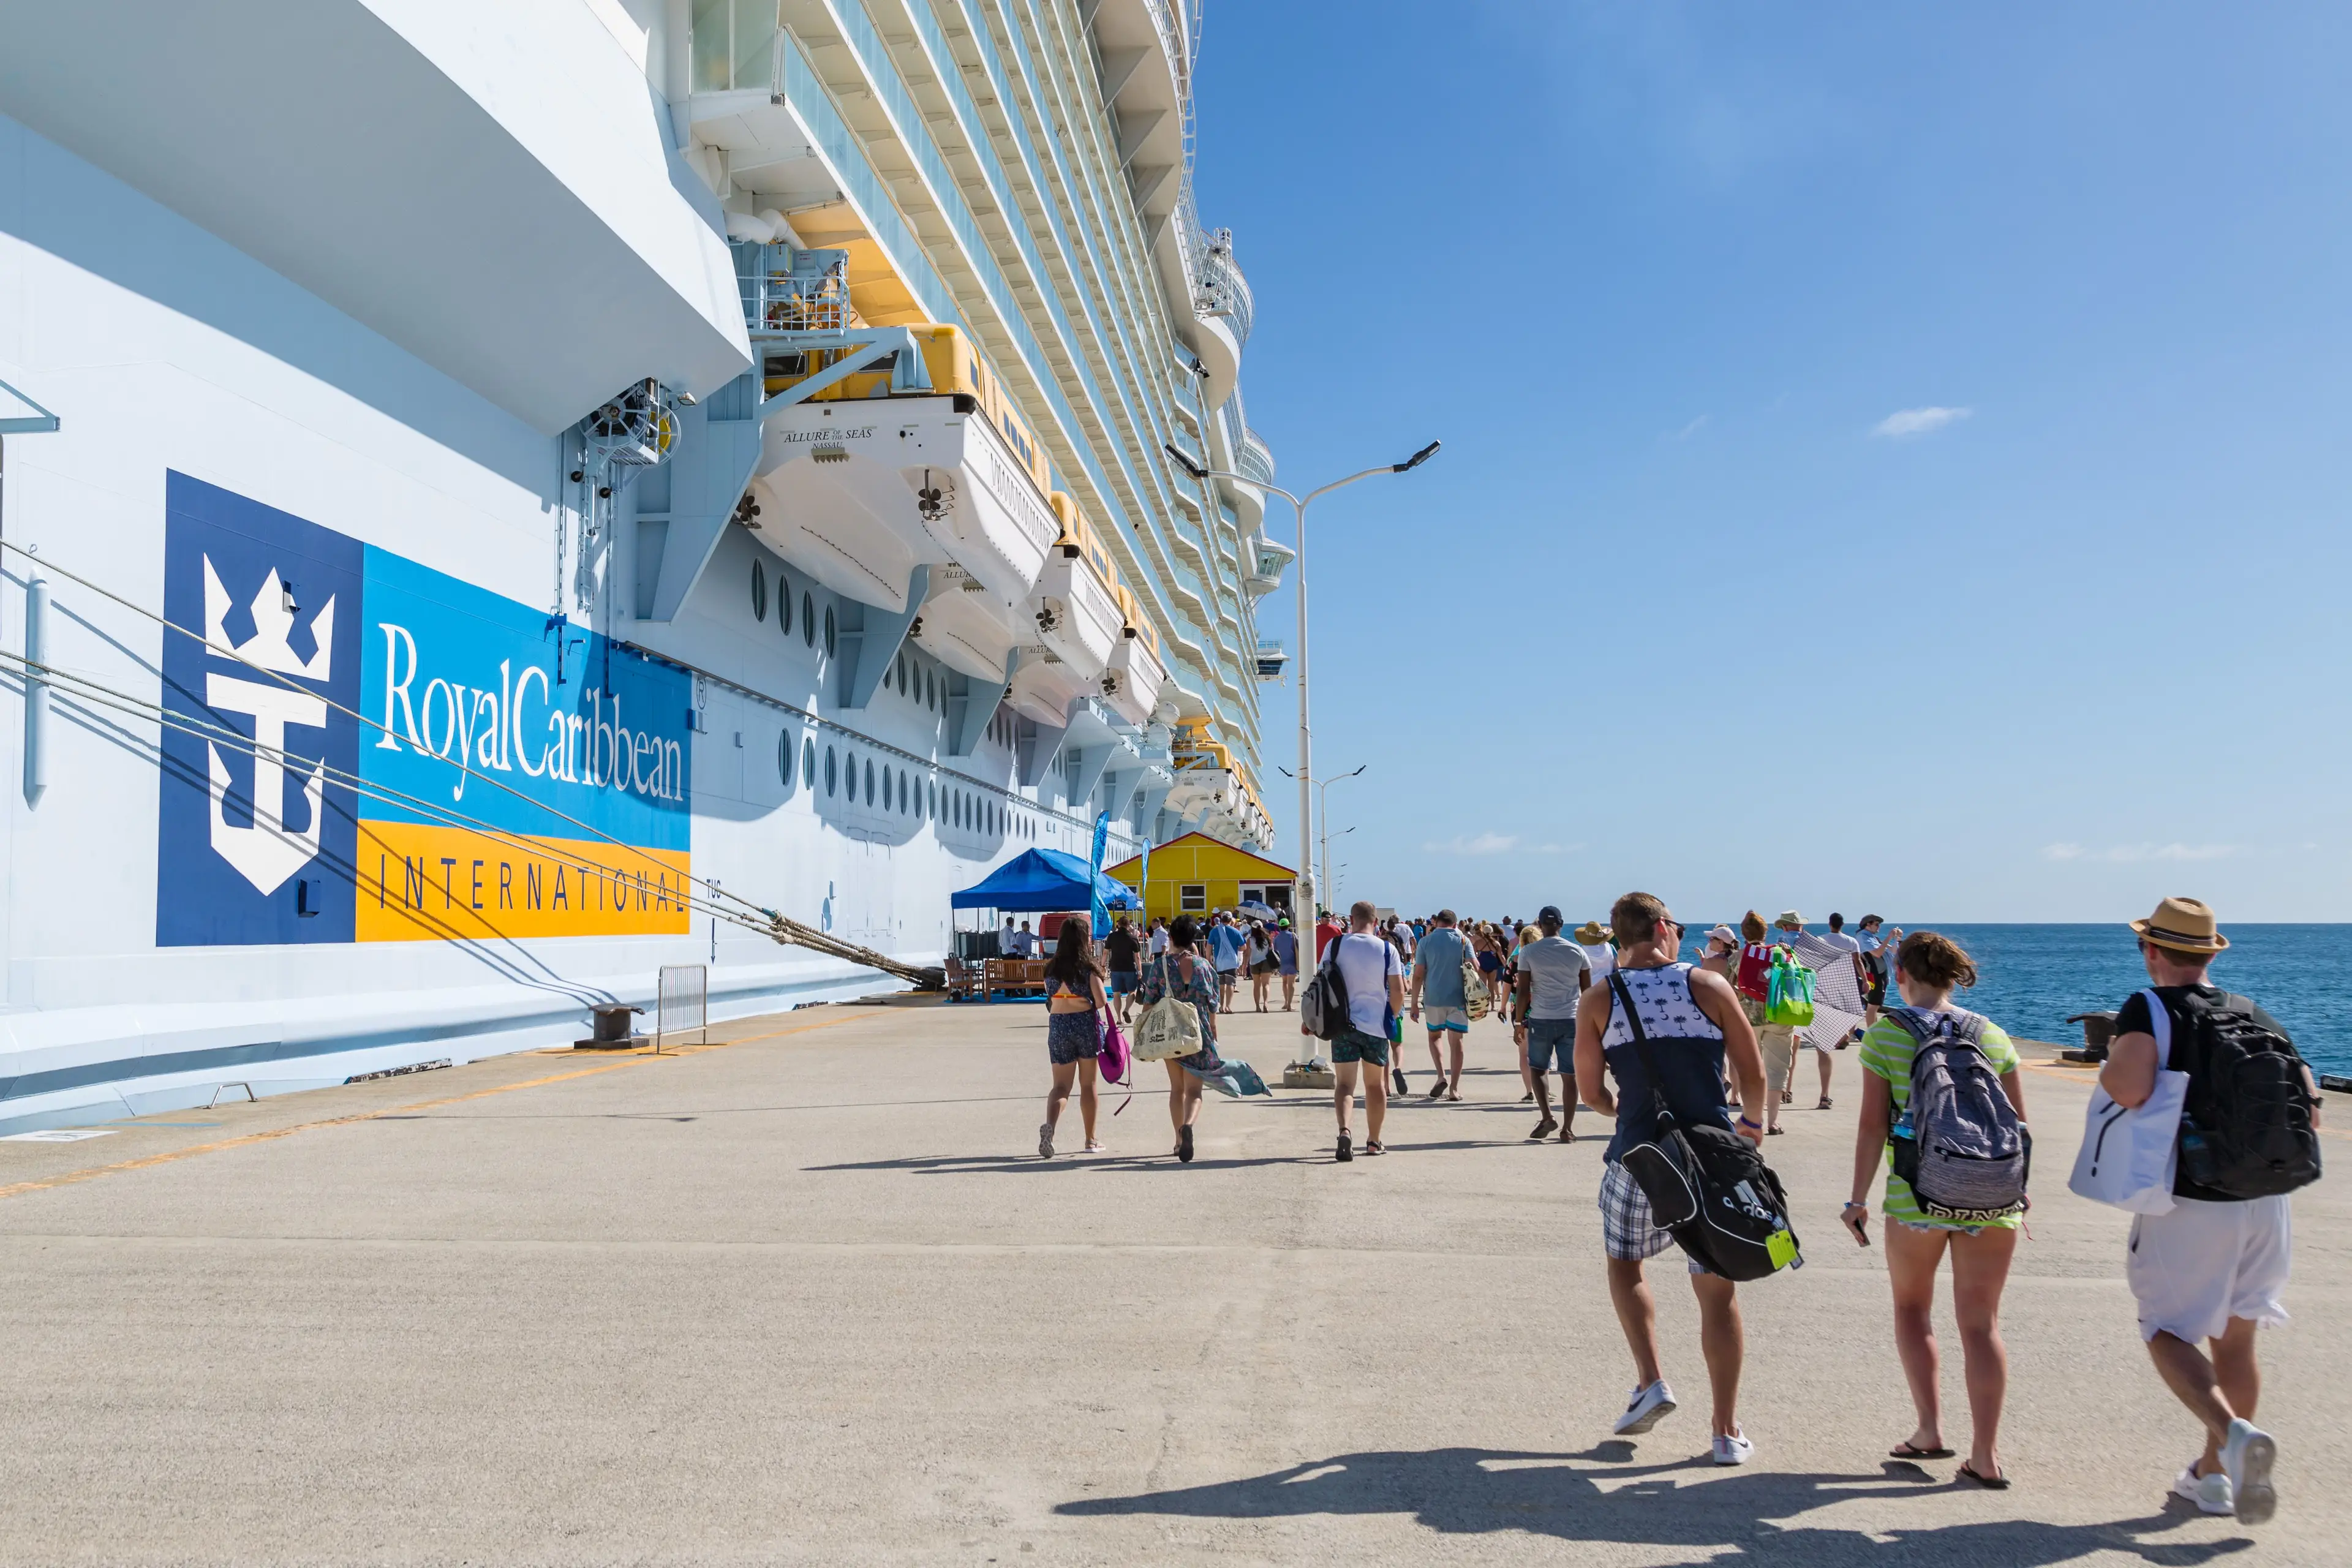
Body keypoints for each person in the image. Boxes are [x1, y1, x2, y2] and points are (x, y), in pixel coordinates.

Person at [2098, 897, 2319, 1524]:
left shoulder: (2150, 1006)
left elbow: (2130, 1087)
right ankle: (2213, 1478)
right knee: (2237, 1338)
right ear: (2212, 952)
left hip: (2192, 1199)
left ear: (2152, 952)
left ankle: (2235, 1437)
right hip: (2268, 1200)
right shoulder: (2257, 1014)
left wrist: (2117, 1070)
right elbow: (2310, 1104)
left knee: (2164, 1328)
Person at [1575, 892, 1768, 1464]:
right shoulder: (1707, 986)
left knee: (1625, 1262)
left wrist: (1625, 1114)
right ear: (1663, 929)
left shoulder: (1600, 998)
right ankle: (1725, 1432)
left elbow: (1591, 1093)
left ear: (1618, 938)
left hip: (1640, 1158)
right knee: (1716, 1291)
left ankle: (1651, 1380)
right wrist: (1751, 1127)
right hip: (1709, 1158)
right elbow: (1752, 1071)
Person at [1844, 931, 2026, 1488]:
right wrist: (2018, 1191)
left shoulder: (1885, 1037)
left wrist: (1857, 1200)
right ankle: (1987, 1456)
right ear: (1953, 977)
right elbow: (2018, 1124)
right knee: (1981, 1325)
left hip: (1917, 1196)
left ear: (1900, 974)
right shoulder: (1992, 1036)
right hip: (1992, 1200)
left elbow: (1874, 1125)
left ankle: (1929, 1431)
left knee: (1913, 1310)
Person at [1319, 899, 1406, 1161]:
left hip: (1342, 1025)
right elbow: (1399, 991)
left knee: (1345, 1084)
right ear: (1376, 922)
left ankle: (1345, 1131)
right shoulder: (1387, 950)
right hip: (1375, 1026)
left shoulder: (1334, 945)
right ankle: (1373, 1141)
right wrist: (1391, 1015)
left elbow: (1321, 983)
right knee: (1375, 1085)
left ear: (1351, 920)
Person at [1134, 915, 1226, 1163]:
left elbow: (1149, 1000)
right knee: (1194, 1091)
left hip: (1171, 1032)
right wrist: (1214, 1025)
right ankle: (1189, 1126)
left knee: (1177, 1088)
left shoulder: (1161, 966)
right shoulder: (1203, 966)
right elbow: (1213, 1001)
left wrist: (1143, 1029)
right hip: (1198, 1031)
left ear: (1171, 938)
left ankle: (1178, 1140)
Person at [1515, 906, 1591, 1141]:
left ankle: (1547, 1116)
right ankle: (1567, 1130)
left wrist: (1519, 1021)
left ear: (1540, 925)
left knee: (1538, 1069)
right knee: (1570, 1075)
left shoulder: (1529, 952)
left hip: (1541, 1018)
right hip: (1571, 1018)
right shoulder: (1577, 951)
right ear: (1561, 924)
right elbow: (1587, 991)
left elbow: (1523, 990)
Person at [1038, 914, 1111, 1159]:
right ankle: (1090, 1140)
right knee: (1088, 1084)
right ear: (1083, 940)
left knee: (1060, 1086)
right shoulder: (1088, 968)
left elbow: (1050, 996)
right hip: (1084, 1026)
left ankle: (1050, 1128)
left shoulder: (1050, 969)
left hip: (1058, 1027)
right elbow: (1101, 1001)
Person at [1408, 909, 1476, 1101]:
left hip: (1433, 999)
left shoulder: (1425, 941)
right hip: (1458, 999)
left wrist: (1414, 1004)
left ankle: (1441, 1076)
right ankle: (1454, 1088)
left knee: (1435, 1037)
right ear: (1455, 925)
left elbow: (1419, 973)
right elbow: (1475, 966)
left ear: (1436, 923)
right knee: (1457, 1042)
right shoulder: (1463, 941)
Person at [1733, 912, 1789, 1133]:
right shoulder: (1782, 953)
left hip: (1748, 1020)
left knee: (1751, 1070)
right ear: (1766, 932)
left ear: (1743, 934)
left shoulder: (1737, 957)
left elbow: (1729, 989)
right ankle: (1773, 1121)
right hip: (1780, 1016)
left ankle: (1752, 1117)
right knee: (1777, 1069)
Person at [1855, 915, 1903, 1025]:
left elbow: (1893, 951)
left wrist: (1898, 938)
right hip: (1875, 974)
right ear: (1868, 925)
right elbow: (1877, 953)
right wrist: (1889, 938)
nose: (1879, 928)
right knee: (1873, 1005)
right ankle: (1871, 1033)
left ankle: (1873, 1031)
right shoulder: (1863, 937)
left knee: (1876, 1005)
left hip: (1882, 974)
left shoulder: (1873, 938)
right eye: (1876, 925)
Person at [1104, 915, 1143, 1025]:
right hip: (1129, 968)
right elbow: (1137, 957)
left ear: (1118, 924)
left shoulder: (1112, 937)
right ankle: (1127, 1010)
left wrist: (1102, 966)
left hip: (1115, 968)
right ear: (1128, 925)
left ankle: (1119, 1018)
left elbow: (1106, 953)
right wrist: (1140, 971)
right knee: (1132, 991)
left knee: (1116, 994)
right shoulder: (1133, 938)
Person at [1210, 913, 1245, 1011]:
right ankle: (1228, 1006)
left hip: (1219, 962)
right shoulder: (1236, 932)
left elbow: (1208, 947)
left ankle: (1221, 1006)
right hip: (1231, 962)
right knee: (1230, 984)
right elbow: (1243, 947)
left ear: (1221, 920)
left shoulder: (1215, 931)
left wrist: (1208, 960)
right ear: (1230, 921)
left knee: (1221, 984)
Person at [1246, 920, 1278, 1012]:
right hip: (1266, 962)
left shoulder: (1250, 940)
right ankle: (1266, 1004)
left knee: (1256, 985)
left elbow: (1247, 954)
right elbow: (1271, 950)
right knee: (1266, 985)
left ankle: (1257, 1006)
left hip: (1254, 963)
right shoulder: (1268, 939)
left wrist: (1245, 965)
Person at [1575, 920, 1616, 985]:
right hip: (1608, 984)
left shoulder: (1581, 950)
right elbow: (1617, 966)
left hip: (1589, 986)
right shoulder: (1610, 947)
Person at [1273, 920, 1300, 1011]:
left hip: (1282, 964)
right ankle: (1289, 1005)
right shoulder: (1293, 936)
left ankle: (1286, 1002)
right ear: (1289, 926)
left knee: (1284, 983)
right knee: (1291, 983)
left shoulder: (1276, 938)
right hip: (1292, 962)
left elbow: (1275, 950)